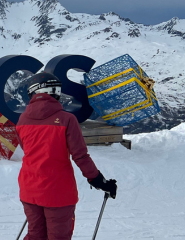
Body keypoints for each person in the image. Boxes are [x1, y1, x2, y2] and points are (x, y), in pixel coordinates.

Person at [16, 72, 118, 240]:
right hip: (58, 192)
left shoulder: (22, 120)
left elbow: (27, 149)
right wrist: (99, 180)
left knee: (35, 235)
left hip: (29, 189)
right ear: (54, 93)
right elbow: (81, 157)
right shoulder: (66, 119)